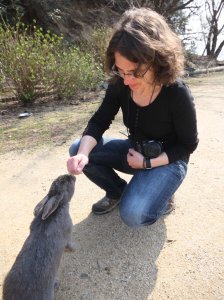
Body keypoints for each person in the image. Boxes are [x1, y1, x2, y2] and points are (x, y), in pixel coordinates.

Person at [67, 7, 199, 227]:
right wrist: (82, 154)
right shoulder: (121, 83)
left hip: (169, 160)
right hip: (134, 152)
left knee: (134, 215)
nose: (126, 80)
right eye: (121, 70)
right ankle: (117, 191)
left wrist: (147, 163)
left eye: (134, 73)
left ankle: (162, 195)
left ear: (156, 60)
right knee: (78, 148)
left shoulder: (177, 93)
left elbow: (187, 145)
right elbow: (100, 120)